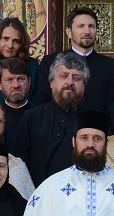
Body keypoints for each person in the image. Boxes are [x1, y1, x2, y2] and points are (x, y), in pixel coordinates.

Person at [11, 52, 88, 186]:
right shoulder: (31, 118)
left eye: (76, 78)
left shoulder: (91, 122)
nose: (69, 82)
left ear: (84, 86)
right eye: (63, 76)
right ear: (51, 82)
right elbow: (17, 167)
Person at [38, 7, 114, 113]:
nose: (87, 31)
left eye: (91, 26)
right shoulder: (50, 62)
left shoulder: (111, 67)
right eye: (80, 26)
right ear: (69, 32)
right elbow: (43, 102)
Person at [0, 57, 34, 134]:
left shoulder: (43, 118)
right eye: (9, 80)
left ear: (29, 82)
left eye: (21, 79)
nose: (16, 85)